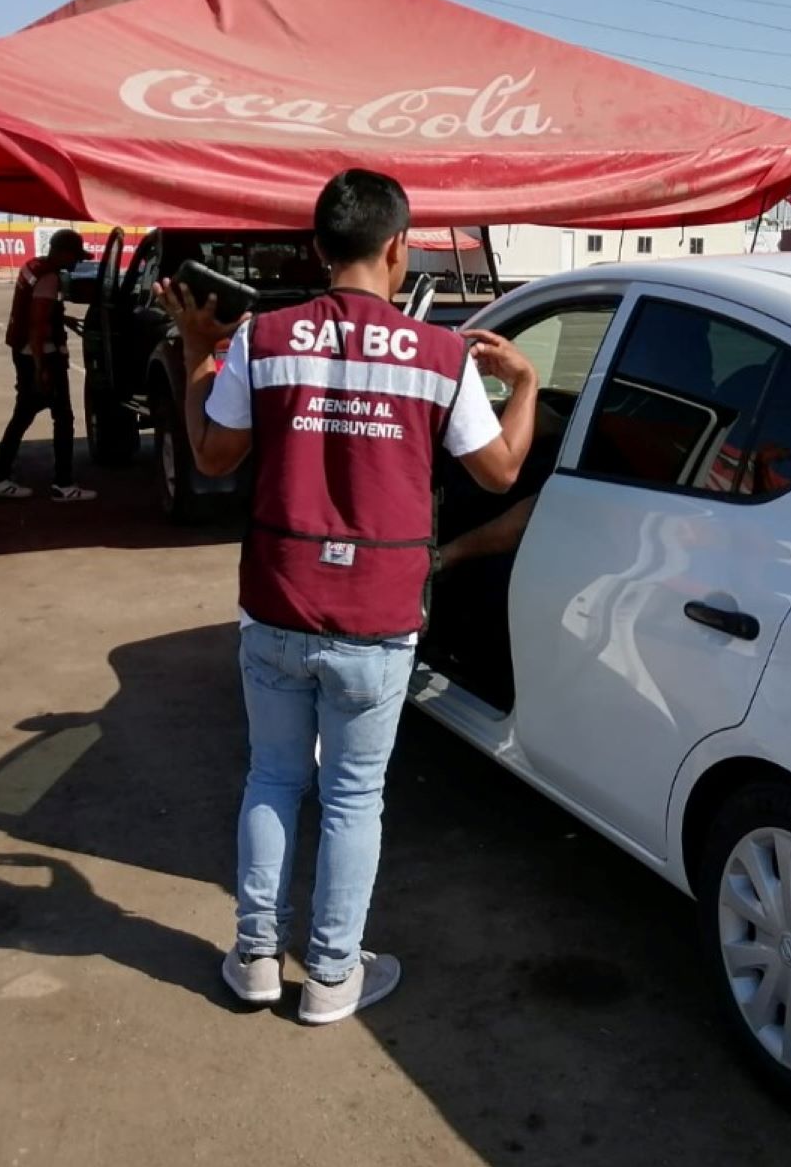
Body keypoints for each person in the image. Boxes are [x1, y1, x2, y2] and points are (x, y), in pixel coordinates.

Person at [157, 169, 538, 1024]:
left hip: (278, 603)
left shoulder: (262, 340)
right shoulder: (440, 355)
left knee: (272, 779)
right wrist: (524, 386)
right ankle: (331, 976)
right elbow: (502, 471)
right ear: (399, 248)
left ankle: (255, 959)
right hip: (378, 618)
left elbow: (214, 459)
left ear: (318, 248)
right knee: (353, 798)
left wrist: (192, 351)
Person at [0, 228, 96, 501]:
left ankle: (0, 476)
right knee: (62, 419)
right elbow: (37, 325)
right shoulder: (49, 278)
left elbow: (38, 313)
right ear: (63, 253)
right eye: (74, 257)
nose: (75, 264)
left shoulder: (32, 267)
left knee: (24, 415)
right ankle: (63, 483)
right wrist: (41, 368)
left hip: (26, 352)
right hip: (43, 356)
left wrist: (61, 319)